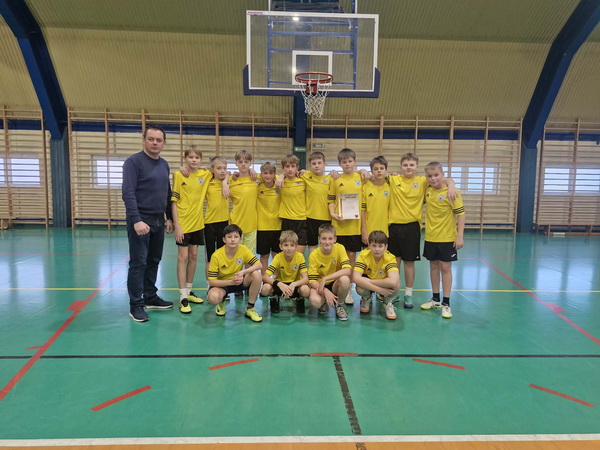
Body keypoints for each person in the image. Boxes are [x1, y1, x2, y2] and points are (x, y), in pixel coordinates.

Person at [387, 153, 456, 310]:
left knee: (409, 262)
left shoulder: (423, 181)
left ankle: (408, 293)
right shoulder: (393, 179)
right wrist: (363, 171)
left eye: (411, 165)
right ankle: (394, 291)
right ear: (400, 166)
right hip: (393, 227)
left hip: (412, 227)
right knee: (394, 262)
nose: (408, 167)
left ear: (417, 166)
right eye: (405, 165)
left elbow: (445, 179)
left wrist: (451, 185)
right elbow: (373, 176)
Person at [122, 126, 174, 322]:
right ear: (144, 140)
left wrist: (169, 217)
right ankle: (136, 305)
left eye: (158, 140)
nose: (154, 143)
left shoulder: (164, 164)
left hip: (158, 219)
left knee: (154, 260)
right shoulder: (133, 162)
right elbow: (128, 193)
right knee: (139, 263)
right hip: (141, 218)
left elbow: (167, 192)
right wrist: (136, 220)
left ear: (164, 143)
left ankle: (150, 296)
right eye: (151, 139)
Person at [171, 146, 213, 314]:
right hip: (183, 223)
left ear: (201, 160)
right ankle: (183, 296)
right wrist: (177, 226)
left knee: (194, 256)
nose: (194, 160)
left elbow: (223, 172)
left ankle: (189, 290)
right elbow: (174, 202)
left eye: (197, 157)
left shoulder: (205, 174)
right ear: (185, 158)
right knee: (183, 257)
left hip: (198, 223)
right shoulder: (179, 175)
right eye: (191, 157)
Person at [420, 162, 465, 319]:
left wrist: (459, 236)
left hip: (447, 237)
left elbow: (461, 214)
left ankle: (446, 303)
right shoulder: (428, 190)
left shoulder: (452, 192)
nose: (433, 178)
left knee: (445, 268)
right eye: (429, 176)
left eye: (436, 175)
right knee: (433, 267)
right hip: (431, 237)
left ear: (443, 175)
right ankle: (435, 299)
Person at [206, 224, 263, 322]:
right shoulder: (216, 255)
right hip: (223, 285)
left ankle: (250, 308)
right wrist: (231, 282)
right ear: (224, 239)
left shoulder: (243, 250)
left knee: (256, 274)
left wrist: (244, 272)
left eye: (236, 237)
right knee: (213, 298)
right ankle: (221, 301)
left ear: (240, 239)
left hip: (239, 281)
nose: (233, 240)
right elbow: (211, 281)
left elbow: (259, 265)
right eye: (229, 237)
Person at [328, 148, 363, 304]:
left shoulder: (361, 177)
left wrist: (364, 171)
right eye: (344, 162)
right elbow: (331, 199)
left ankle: (348, 290)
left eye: (350, 161)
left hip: (354, 226)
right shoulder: (335, 179)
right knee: (337, 258)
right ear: (339, 164)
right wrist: (332, 213)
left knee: (351, 257)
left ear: (355, 162)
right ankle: (337, 287)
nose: (347, 164)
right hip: (339, 224)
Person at [308, 224, 352, 321]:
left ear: (335, 239)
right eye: (324, 238)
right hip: (320, 285)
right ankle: (324, 302)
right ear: (319, 239)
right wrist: (325, 291)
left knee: (345, 279)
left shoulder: (340, 248)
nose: (327, 242)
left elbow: (347, 270)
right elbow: (312, 281)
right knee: (315, 301)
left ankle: (339, 305)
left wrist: (326, 278)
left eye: (330, 238)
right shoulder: (314, 255)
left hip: (335, 283)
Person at [353, 231, 400, 320]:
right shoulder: (363, 255)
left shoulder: (390, 258)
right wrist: (379, 290)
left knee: (396, 285)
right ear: (369, 245)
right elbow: (355, 277)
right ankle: (366, 298)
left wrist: (370, 282)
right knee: (360, 288)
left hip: (380, 281)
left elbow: (393, 281)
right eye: (374, 246)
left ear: (386, 247)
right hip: (373, 283)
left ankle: (387, 302)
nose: (377, 249)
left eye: (380, 246)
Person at [260, 230, 310, 314]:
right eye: (286, 245)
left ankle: (299, 299)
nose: (289, 248)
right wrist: (279, 284)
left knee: (305, 290)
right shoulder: (278, 257)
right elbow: (265, 277)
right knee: (265, 289)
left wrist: (294, 284)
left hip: (294, 286)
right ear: (280, 246)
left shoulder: (300, 257)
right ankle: (275, 298)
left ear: (296, 246)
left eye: (292, 245)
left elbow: (306, 279)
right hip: (280, 285)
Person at [301, 151, 332, 253]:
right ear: (310, 166)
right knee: (312, 245)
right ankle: (313, 263)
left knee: (327, 244)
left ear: (325, 164)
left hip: (327, 217)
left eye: (319, 163)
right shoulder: (305, 176)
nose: (317, 166)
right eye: (314, 164)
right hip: (311, 217)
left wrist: (362, 170)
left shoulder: (330, 178)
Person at [229, 150, 258, 254]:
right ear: (236, 163)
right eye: (240, 162)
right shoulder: (231, 180)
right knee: (236, 255)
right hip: (236, 223)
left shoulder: (256, 179)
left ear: (250, 163)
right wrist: (224, 182)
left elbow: (273, 176)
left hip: (251, 224)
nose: (243, 164)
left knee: (249, 256)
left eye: (246, 161)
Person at [204, 156, 230, 266]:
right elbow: (195, 171)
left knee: (222, 255)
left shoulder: (229, 182)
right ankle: (209, 277)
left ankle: (220, 276)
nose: (222, 171)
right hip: (209, 222)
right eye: (219, 168)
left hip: (224, 222)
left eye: (224, 168)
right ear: (212, 170)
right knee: (210, 256)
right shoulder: (207, 182)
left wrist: (225, 182)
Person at [278, 154, 307, 254]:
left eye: (293, 166)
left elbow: (316, 176)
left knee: (299, 255)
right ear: (283, 168)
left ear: (297, 167)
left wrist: (305, 172)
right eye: (287, 166)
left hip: (302, 220)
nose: (290, 169)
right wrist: (281, 176)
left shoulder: (303, 179)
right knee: (288, 253)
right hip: (287, 220)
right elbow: (263, 176)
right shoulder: (279, 181)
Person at [256, 162, 282, 272]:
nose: (268, 176)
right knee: (264, 256)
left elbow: (283, 176)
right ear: (261, 174)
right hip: (262, 227)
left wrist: (280, 177)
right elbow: (254, 177)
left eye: (271, 173)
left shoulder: (279, 185)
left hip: (277, 226)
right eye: (265, 173)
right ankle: (264, 278)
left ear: (275, 174)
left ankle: (276, 278)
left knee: (277, 255)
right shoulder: (257, 186)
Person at [361, 156, 390, 245]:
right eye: (376, 169)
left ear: (386, 170)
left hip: (386, 231)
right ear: (371, 171)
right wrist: (364, 230)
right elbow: (363, 211)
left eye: (382, 168)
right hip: (369, 231)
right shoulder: (365, 187)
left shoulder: (390, 186)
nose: (379, 171)